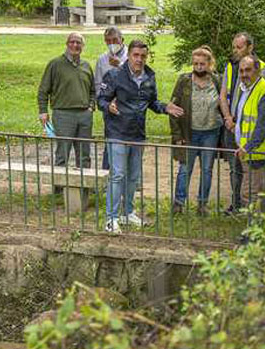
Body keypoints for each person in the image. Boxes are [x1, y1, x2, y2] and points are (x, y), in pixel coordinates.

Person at [98, 40, 183, 234]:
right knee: (118, 175)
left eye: (143, 56)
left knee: (133, 177)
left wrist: (165, 108)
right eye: (136, 55)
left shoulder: (149, 77)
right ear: (129, 55)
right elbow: (101, 99)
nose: (139, 59)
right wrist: (108, 106)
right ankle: (111, 219)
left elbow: (151, 102)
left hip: (137, 134)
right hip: (117, 133)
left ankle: (127, 213)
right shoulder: (114, 75)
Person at [218, 32, 265, 214]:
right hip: (232, 126)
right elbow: (223, 95)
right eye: (234, 47)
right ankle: (237, 205)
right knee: (235, 169)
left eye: (239, 47)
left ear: (250, 48)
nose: (235, 50)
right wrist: (228, 118)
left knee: (254, 182)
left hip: (252, 135)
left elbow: (262, 105)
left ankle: (255, 220)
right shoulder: (231, 67)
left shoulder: (262, 69)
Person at [169, 46, 223, 216]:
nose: (199, 67)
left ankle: (202, 204)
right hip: (189, 133)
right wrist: (177, 135)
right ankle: (178, 202)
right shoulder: (184, 81)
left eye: (202, 64)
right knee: (185, 168)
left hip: (211, 132)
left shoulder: (217, 81)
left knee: (207, 169)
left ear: (209, 64)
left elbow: (224, 104)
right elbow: (173, 108)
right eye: (196, 64)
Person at [38, 32, 95, 168]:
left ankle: (84, 187)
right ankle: (58, 188)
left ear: (83, 46)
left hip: (84, 115)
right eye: (72, 42)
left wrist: (91, 106)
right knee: (62, 154)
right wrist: (43, 111)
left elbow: (93, 90)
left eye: (78, 43)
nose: (75, 45)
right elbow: (43, 90)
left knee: (84, 154)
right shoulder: (55, 64)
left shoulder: (86, 66)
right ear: (67, 44)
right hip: (63, 114)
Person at [234, 55, 265, 212]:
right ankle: (262, 229)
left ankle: (253, 233)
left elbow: (263, 125)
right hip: (251, 150)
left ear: (258, 71)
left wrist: (247, 147)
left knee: (249, 193)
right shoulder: (247, 88)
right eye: (241, 71)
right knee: (259, 192)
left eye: (248, 70)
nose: (244, 74)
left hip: (259, 152)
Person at [95, 26, 128, 170]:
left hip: (128, 107)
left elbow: (136, 78)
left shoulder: (131, 56)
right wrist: (103, 104)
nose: (111, 43)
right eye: (108, 41)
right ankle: (107, 175)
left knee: (129, 143)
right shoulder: (102, 59)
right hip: (109, 107)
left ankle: (131, 178)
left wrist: (120, 65)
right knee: (110, 141)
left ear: (122, 40)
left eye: (114, 40)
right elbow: (98, 83)